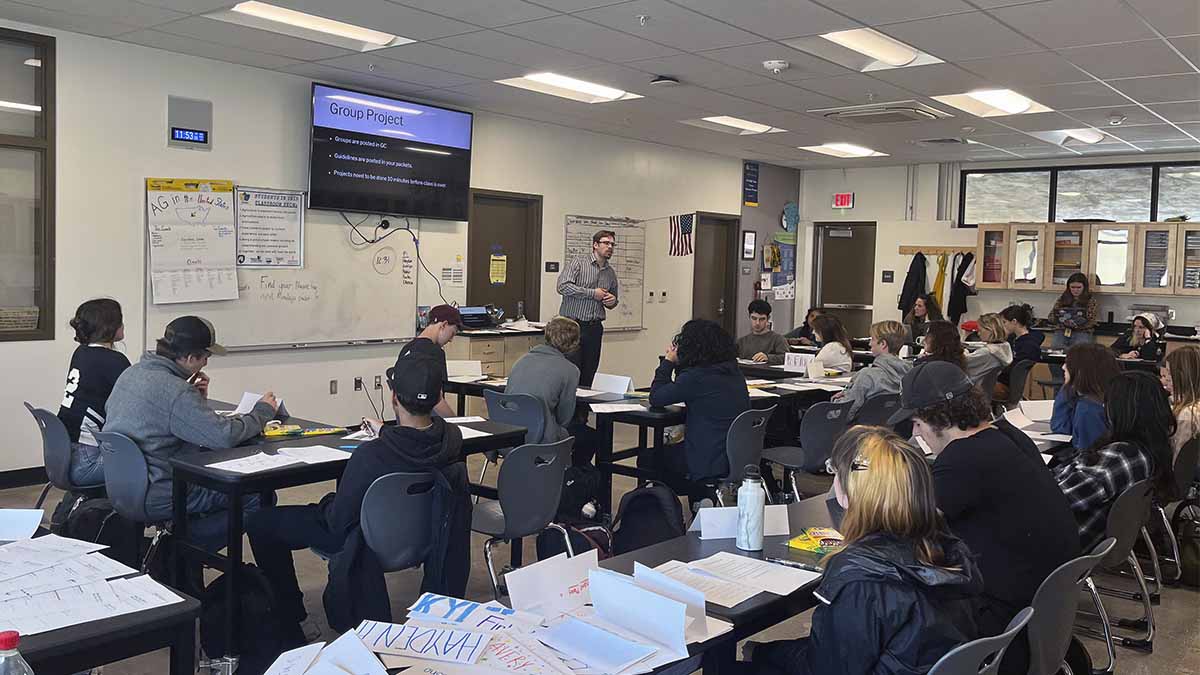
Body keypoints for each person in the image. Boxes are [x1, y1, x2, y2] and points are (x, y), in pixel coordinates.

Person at [246, 347, 470, 643]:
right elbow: (414, 444)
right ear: (437, 398)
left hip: (367, 542)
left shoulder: (372, 455)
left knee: (262, 522)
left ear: (393, 398)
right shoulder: (452, 441)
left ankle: (291, 618)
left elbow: (339, 521)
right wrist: (386, 434)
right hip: (425, 536)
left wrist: (327, 502)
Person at [890, 361, 1081, 675]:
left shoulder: (962, 459)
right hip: (1042, 608)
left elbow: (903, 526)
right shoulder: (1007, 435)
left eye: (917, 423)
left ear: (938, 418)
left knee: (887, 604)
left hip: (999, 618)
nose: (915, 432)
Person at [742, 426, 982, 675]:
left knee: (729, 664)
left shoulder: (860, 577)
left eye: (834, 472)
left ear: (847, 494)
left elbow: (829, 668)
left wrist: (763, 653)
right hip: (920, 663)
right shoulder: (943, 547)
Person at [104, 316, 279, 551]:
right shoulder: (176, 391)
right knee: (258, 497)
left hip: (122, 486)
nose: (206, 363)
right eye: (205, 356)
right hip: (160, 491)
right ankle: (182, 549)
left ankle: (178, 547)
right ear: (188, 358)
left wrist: (195, 401)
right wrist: (262, 412)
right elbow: (222, 437)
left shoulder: (131, 374)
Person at [1054, 371, 1176, 550]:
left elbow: (1057, 499)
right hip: (1076, 534)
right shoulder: (1150, 449)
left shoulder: (1119, 457)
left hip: (1059, 540)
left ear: (1122, 409)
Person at [643, 319, 749, 491]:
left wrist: (668, 362)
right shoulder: (734, 372)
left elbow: (656, 397)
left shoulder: (696, 377)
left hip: (706, 457)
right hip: (736, 455)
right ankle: (699, 497)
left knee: (649, 458)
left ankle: (666, 508)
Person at [57, 298, 130, 485]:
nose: (123, 324)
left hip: (65, 453)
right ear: (109, 326)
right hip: (87, 460)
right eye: (119, 320)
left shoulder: (81, 352)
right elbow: (138, 401)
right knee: (155, 463)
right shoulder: (115, 361)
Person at [506, 316, 595, 465]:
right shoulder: (570, 370)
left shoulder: (522, 360)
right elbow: (564, 418)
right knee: (589, 437)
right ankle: (570, 479)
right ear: (574, 343)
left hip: (509, 432)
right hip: (541, 435)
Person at [556, 229, 619, 387]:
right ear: (595, 245)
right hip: (572, 326)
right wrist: (592, 293)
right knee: (571, 372)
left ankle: (582, 412)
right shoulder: (578, 263)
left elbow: (613, 299)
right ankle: (567, 411)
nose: (610, 247)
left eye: (612, 244)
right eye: (606, 243)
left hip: (594, 328)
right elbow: (562, 286)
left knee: (589, 374)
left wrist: (612, 301)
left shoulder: (610, 272)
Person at [833, 321, 911, 418]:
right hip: (890, 428)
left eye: (872, 339)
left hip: (861, 430)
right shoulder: (910, 374)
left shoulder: (867, 375)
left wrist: (836, 400)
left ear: (883, 344)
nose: (869, 343)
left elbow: (844, 413)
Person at [1052, 343, 1120, 451]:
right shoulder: (1103, 397)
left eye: (1068, 364)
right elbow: (1061, 429)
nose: (1063, 367)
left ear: (1081, 370)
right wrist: (1068, 386)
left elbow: (1089, 457)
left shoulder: (1089, 409)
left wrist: (1069, 384)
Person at [402, 304, 463, 418]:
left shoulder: (406, 349)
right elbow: (437, 401)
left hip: (407, 423)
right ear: (444, 325)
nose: (451, 340)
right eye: (452, 333)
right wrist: (456, 422)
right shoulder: (435, 353)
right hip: (430, 425)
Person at [996, 304, 1044, 400]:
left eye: (1004, 322)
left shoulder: (1029, 345)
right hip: (1001, 382)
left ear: (1014, 322)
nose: (1002, 326)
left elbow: (1012, 369)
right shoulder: (1012, 338)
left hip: (1006, 387)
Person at [1162, 346, 1200, 463]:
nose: (1166, 379)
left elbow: (1178, 462)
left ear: (1183, 375)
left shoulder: (1187, 415)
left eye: (1169, 373)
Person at [1049, 272, 1097, 351]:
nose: (1075, 290)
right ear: (1068, 287)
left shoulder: (1090, 300)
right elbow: (1051, 316)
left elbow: (1091, 320)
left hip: (1082, 332)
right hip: (1062, 331)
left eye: (1078, 287)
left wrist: (1076, 324)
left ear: (1084, 287)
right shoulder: (1062, 299)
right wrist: (1059, 319)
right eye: (1073, 287)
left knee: (1079, 355)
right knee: (1055, 353)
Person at [737, 299, 789, 365]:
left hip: (767, 374)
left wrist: (768, 357)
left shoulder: (777, 339)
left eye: (762, 319)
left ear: (768, 318)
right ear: (749, 317)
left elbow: (787, 358)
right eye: (754, 318)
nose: (757, 323)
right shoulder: (742, 341)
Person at [964, 313, 1013, 382]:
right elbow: (984, 345)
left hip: (973, 387)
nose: (978, 334)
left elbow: (963, 361)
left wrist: (963, 350)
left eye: (980, 330)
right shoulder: (1004, 347)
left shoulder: (986, 352)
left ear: (991, 330)